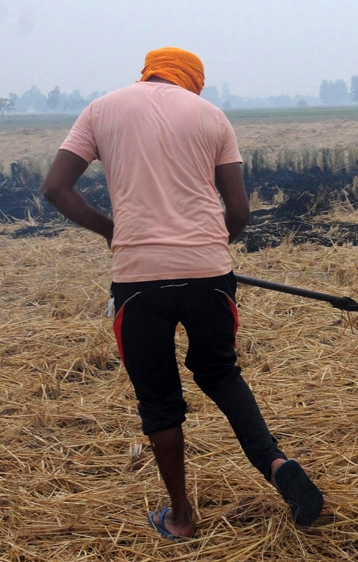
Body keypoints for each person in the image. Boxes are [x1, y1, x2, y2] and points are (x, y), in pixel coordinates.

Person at [40, 47, 324, 539]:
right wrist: (208, 251)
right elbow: (238, 213)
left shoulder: (101, 109)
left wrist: (111, 231)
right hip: (209, 275)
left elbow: (55, 188)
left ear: (148, 70)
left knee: (159, 400)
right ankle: (276, 464)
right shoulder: (212, 117)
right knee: (220, 372)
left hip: (138, 279)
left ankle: (182, 518)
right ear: (194, 81)